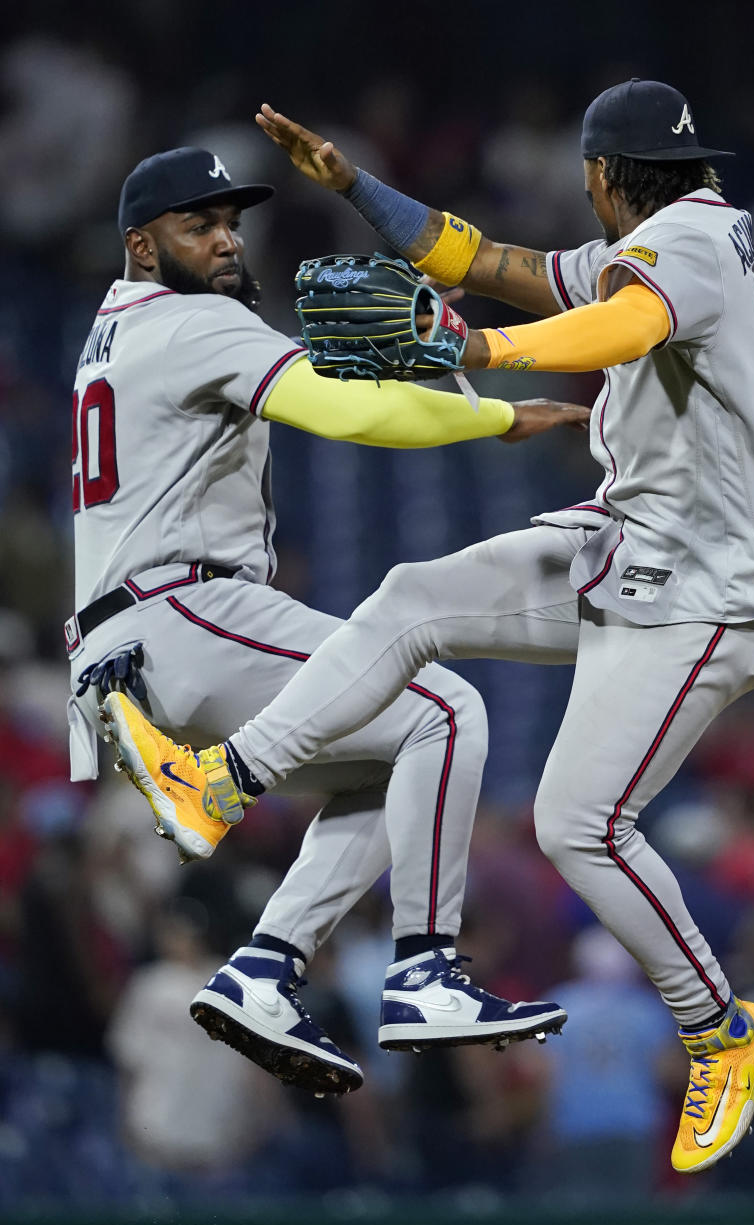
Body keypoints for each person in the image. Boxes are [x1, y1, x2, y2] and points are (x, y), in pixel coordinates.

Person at [105, 82, 754, 1172]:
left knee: (578, 825)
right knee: (413, 597)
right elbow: (489, 261)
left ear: (601, 176)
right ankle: (222, 782)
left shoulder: (687, 246)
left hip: (711, 593)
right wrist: (356, 186)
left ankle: (723, 1032)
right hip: (630, 550)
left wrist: (482, 353)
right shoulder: (660, 233)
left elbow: (626, 324)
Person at [70, 145, 587, 1099]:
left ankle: (266, 966)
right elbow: (341, 412)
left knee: (393, 757)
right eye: (198, 225)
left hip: (128, 645)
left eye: (230, 221)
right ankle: (426, 969)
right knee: (442, 707)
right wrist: (491, 419)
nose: (225, 240)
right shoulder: (191, 324)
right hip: (185, 610)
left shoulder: (114, 332)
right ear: (141, 246)